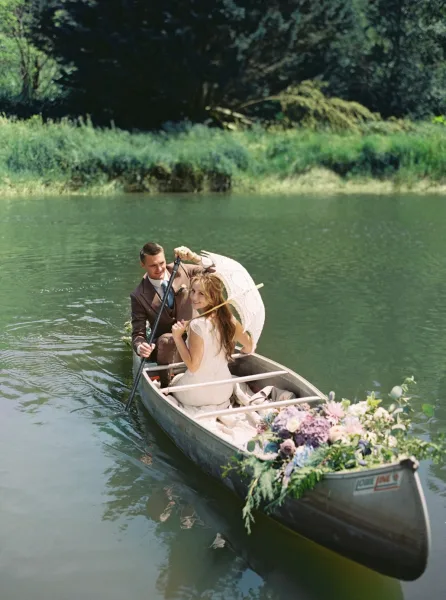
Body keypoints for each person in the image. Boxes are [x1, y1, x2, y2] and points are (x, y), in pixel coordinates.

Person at [169, 272, 253, 409]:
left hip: (197, 395)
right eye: (193, 291)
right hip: (224, 392)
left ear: (213, 296)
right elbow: (249, 347)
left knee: (175, 381)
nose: (194, 297)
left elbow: (193, 366)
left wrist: (177, 337)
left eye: (201, 293)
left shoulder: (197, 325)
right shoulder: (230, 320)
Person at [130, 242, 213, 367]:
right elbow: (138, 334)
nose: (159, 269)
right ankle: (166, 381)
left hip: (195, 332)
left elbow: (214, 270)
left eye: (161, 263)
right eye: (153, 265)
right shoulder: (138, 296)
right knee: (167, 341)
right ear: (143, 264)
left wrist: (194, 257)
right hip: (166, 345)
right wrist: (141, 347)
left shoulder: (182, 269)